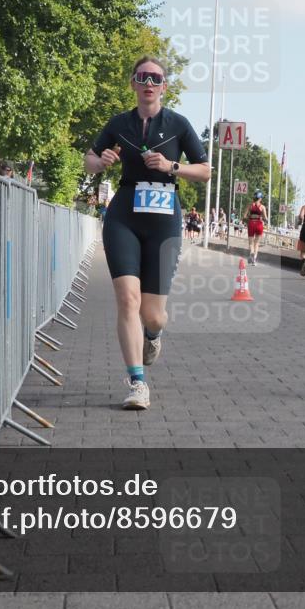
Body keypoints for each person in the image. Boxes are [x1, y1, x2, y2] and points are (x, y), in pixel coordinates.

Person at [84, 57, 211, 410]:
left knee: (153, 314)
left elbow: (205, 171)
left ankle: (152, 336)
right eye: (142, 77)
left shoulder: (178, 124)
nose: (148, 83)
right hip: (124, 214)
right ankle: (137, 383)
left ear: (164, 86)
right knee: (128, 299)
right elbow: (89, 160)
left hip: (163, 218)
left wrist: (172, 166)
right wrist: (101, 162)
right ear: (134, 84)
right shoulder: (118, 123)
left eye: (155, 78)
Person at [246, 192, 268, 265]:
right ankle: (254, 259)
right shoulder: (262, 207)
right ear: (260, 198)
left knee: (251, 243)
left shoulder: (250, 205)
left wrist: (248, 217)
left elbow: (244, 216)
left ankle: (251, 254)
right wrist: (264, 220)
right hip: (259, 224)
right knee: (257, 243)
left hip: (251, 223)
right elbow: (266, 218)